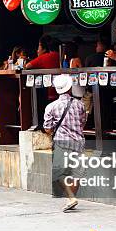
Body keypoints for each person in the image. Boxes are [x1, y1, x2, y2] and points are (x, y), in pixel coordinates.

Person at [43, 74, 87, 212]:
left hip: (62, 143)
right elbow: (83, 122)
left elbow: (47, 128)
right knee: (76, 173)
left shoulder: (51, 107)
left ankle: (71, 197)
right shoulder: (80, 104)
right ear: (69, 88)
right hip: (78, 142)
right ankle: (71, 197)